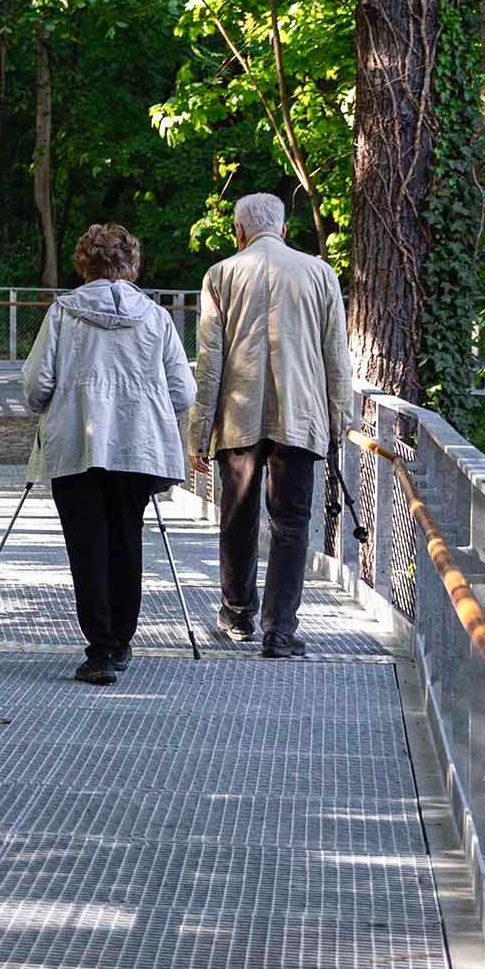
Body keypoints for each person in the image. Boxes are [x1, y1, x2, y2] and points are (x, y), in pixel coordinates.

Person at [23, 222, 198, 685]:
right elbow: (183, 390)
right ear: (131, 264)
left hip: (77, 444)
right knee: (127, 539)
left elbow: (37, 384)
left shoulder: (63, 313)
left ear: (84, 264)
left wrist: (51, 403)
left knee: (88, 545)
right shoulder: (156, 317)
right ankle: (122, 641)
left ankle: (99, 649)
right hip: (137, 445)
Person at [188, 192, 358, 659]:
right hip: (300, 417)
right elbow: (336, 358)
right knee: (290, 523)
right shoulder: (320, 274)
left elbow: (209, 363)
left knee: (237, 517)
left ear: (239, 232)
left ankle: (237, 612)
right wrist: (340, 419)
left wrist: (199, 432)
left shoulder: (220, 275)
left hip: (238, 417)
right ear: (284, 230)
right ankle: (279, 630)